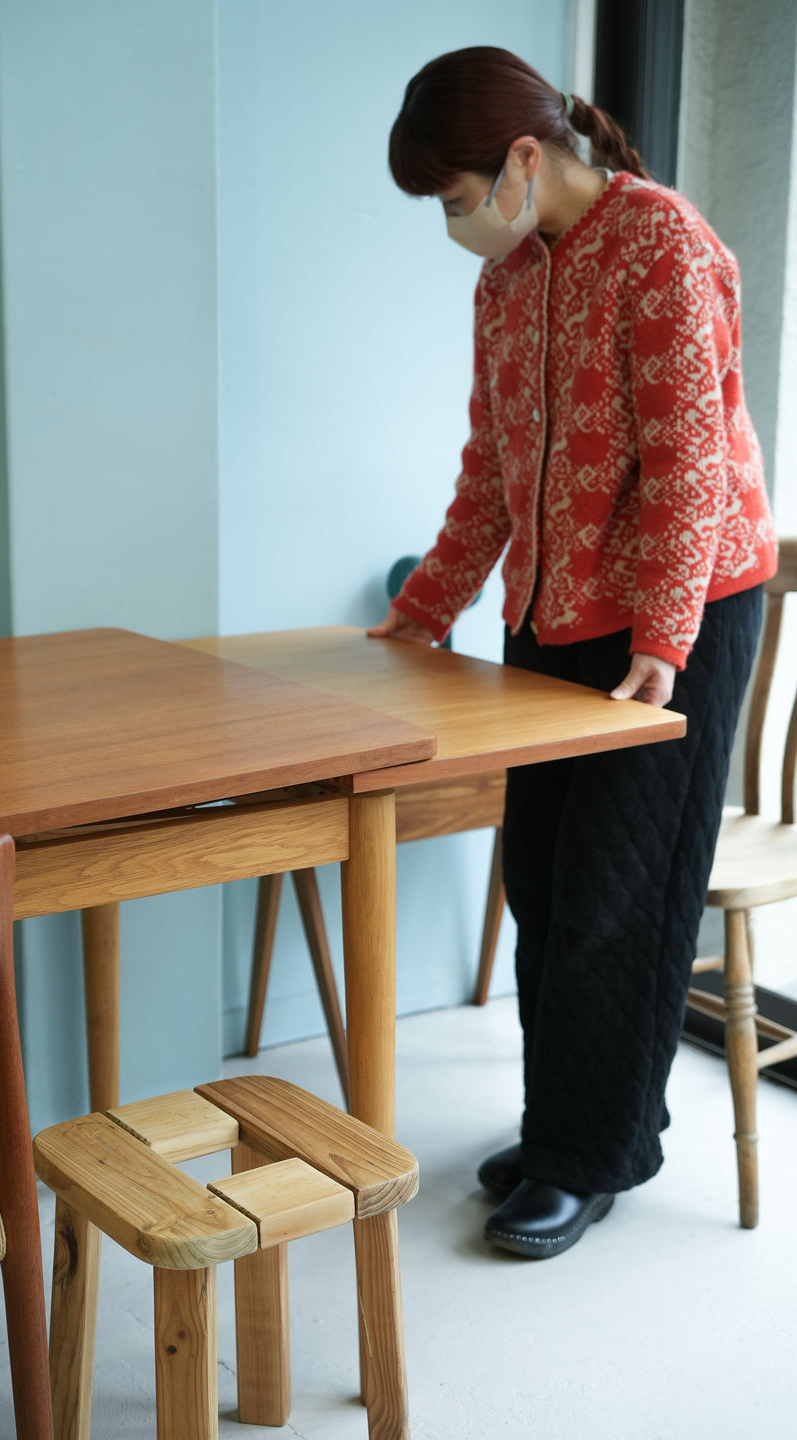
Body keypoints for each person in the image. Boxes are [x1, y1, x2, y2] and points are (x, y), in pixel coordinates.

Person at [370, 46, 777, 1258]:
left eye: (454, 198)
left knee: (620, 897)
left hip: (677, 620)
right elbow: (492, 471)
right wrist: (425, 609)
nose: (452, 225)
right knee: (542, 883)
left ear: (525, 160)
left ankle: (589, 1156)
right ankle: (574, 1120)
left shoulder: (662, 245)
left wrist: (662, 634)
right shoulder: (505, 285)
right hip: (551, 615)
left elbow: (688, 463)